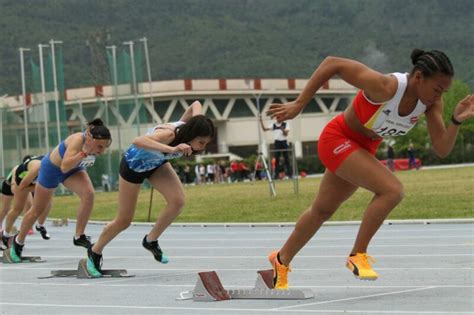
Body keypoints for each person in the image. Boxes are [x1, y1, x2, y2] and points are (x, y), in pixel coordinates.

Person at [266, 49, 474, 289]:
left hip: (362, 149)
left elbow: (441, 149)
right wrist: (300, 103)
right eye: (437, 89)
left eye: (444, 91)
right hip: (338, 138)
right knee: (392, 190)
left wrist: (456, 121)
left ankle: (280, 260)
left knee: (322, 210)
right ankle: (358, 254)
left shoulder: (431, 104)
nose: (439, 95)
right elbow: (332, 63)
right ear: (418, 77)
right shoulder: (385, 86)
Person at [86, 101, 214, 277]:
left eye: (205, 143)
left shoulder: (189, 128)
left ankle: (150, 240)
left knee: (177, 201)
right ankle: (95, 250)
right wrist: (172, 149)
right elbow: (138, 141)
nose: (201, 147)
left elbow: (196, 104)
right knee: (124, 220)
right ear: (192, 134)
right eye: (200, 142)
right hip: (133, 167)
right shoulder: (168, 135)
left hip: (156, 166)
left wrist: (199, 118)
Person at [8, 119, 112, 263]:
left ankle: (79, 236)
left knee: (88, 194)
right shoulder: (77, 140)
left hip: (73, 169)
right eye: (99, 146)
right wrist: (84, 153)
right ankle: (18, 242)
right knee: (36, 210)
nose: (101, 151)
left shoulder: (93, 143)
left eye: (105, 147)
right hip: (52, 170)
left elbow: (70, 167)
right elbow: (64, 166)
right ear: (91, 139)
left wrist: (84, 155)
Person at [3, 155, 52, 245]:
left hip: (34, 180)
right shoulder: (32, 168)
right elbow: (20, 187)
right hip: (19, 183)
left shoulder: (53, 165)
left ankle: (40, 225)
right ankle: (5, 235)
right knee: (18, 208)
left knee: (47, 202)